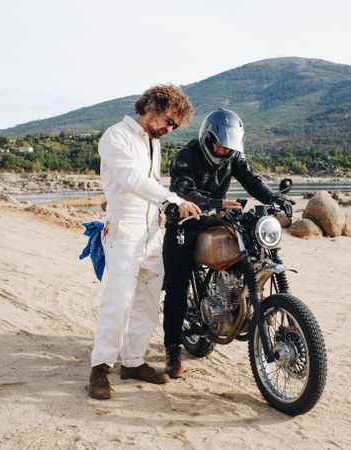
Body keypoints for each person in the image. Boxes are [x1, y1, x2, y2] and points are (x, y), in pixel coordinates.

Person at [161, 107, 293, 378]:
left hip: (215, 216)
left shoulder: (234, 158)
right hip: (184, 221)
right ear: (207, 138)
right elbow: (183, 187)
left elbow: (253, 181)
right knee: (177, 284)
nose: (222, 152)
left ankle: (233, 297)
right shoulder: (186, 156)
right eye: (218, 146)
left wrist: (274, 199)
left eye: (227, 148)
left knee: (250, 247)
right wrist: (211, 202)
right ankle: (172, 350)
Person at [88, 84, 202, 400]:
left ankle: (134, 362)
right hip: (124, 230)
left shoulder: (153, 142)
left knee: (149, 301)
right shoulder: (115, 137)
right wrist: (170, 199)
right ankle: (100, 369)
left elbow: (151, 181)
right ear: (152, 108)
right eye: (169, 121)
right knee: (119, 301)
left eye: (175, 126)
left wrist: (164, 209)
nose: (169, 129)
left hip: (153, 232)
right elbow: (130, 179)